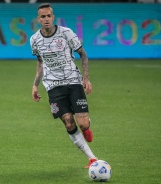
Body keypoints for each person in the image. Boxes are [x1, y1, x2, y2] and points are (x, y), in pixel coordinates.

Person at [30, 3, 98, 168]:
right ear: (38, 19)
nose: (46, 19)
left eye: (48, 16)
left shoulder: (66, 33)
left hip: (73, 81)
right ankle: (92, 158)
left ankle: (87, 127)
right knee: (68, 122)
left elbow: (82, 53)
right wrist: (35, 85)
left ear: (53, 17)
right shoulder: (34, 40)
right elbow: (40, 62)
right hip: (53, 86)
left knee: (82, 124)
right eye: (42, 17)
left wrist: (86, 79)